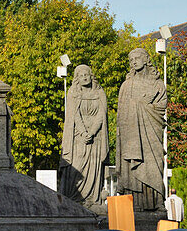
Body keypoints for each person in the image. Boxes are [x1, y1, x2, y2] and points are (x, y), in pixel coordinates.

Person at [116, 49, 167, 210]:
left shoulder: (157, 85)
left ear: (146, 59)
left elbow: (161, 106)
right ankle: (135, 203)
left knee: (153, 164)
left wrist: (143, 107)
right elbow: (121, 113)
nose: (134, 62)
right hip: (131, 134)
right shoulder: (126, 85)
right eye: (131, 60)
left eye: (137, 58)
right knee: (132, 167)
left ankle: (156, 201)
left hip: (151, 132)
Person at [58, 65, 109, 206]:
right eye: (81, 75)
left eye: (87, 74)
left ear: (91, 76)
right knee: (77, 168)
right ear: (77, 79)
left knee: (93, 169)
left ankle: (92, 199)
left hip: (95, 138)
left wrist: (92, 132)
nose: (85, 77)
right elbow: (74, 114)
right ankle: (74, 199)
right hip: (78, 138)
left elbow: (102, 114)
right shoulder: (73, 92)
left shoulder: (99, 93)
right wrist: (83, 132)